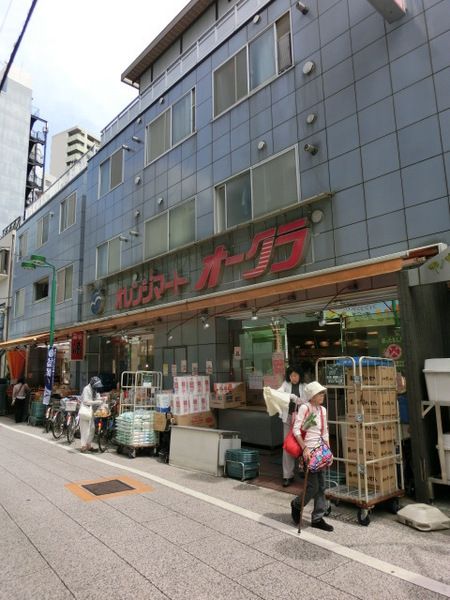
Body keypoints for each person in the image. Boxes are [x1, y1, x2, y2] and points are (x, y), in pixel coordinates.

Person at [291, 381, 334, 532]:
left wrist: (329, 451)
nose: (322, 395)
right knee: (313, 486)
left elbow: (325, 432)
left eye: (322, 393)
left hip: (320, 452)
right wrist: (304, 449)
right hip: (308, 452)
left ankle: (317, 518)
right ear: (311, 396)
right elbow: (296, 430)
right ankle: (297, 504)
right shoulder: (305, 408)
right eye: (319, 393)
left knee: (321, 486)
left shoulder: (323, 410)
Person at [277, 365, 307, 487]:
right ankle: (287, 475)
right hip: (288, 418)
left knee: (303, 444)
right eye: (291, 375)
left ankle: (303, 468)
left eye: (295, 375)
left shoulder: (305, 386)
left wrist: (295, 398)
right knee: (287, 446)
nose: (293, 378)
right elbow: (279, 393)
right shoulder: (285, 384)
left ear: (300, 375)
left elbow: (305, 401)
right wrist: (288, 396)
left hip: (301, 420)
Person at [79, 376, 103, 452]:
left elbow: (98, 398)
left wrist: (102, 399)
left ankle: (88, 445)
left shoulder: (95, 390)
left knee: (92, 428)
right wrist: (97, 402)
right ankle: (83, 446)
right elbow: (86, 401)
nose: (97, 388)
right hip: (85, 410)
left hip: (91, 411)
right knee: (85, 429)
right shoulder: (86, 389)